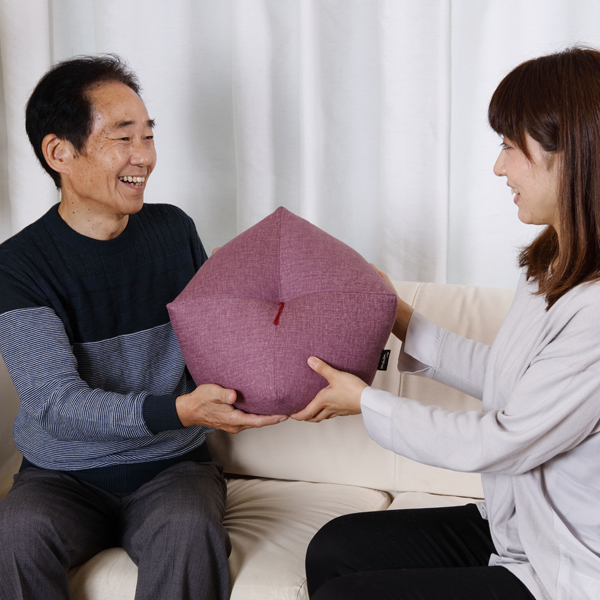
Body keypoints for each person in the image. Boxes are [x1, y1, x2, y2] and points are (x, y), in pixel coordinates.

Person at [292, 47, 600, 600]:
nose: (499, 167)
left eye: (510, 146)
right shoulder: (555, 261)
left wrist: (365, 402)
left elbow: (501, 439)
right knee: (334, 548)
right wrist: (399, 314)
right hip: (517, 525)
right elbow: (513, 378)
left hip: (567, 562)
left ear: (572, 154)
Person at [0, 55, 287, 600]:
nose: (144, 157)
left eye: (148, 136)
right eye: (123, 138)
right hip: (60, 477)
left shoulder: (173, 231)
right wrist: (176, 410)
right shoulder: (18, 267)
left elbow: (216, 345)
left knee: (188, 532)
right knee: (13, 535)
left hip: (172, 470)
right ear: (60, 153)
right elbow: (56, 404)